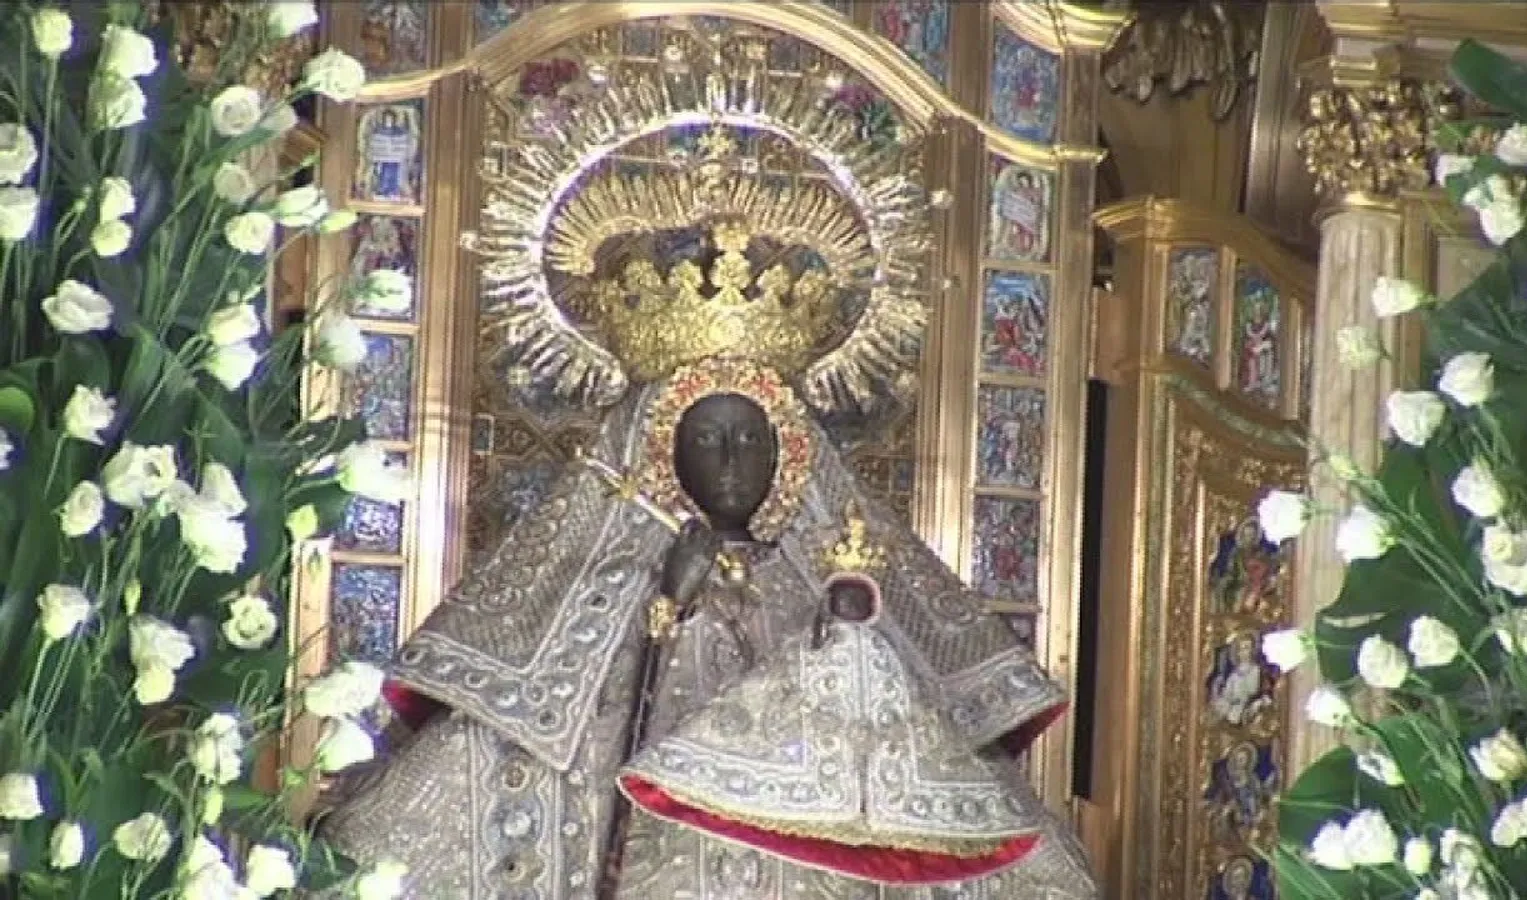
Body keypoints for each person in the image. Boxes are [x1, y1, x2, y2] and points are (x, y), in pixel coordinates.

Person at [318, 355, 1096, 898]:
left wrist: (845, 641)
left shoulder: (822, 568)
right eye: (709, 438)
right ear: (666, 450)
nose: (731, 460)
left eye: (752, 439)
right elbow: (560, 695)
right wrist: (666, 603)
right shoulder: (614, 568)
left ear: (786, 453)